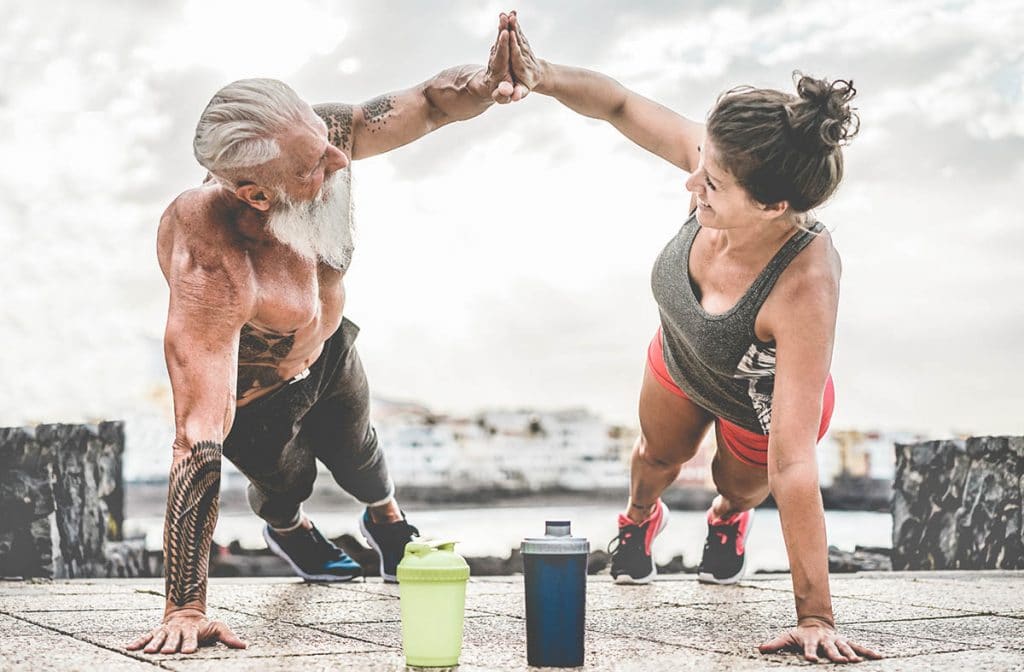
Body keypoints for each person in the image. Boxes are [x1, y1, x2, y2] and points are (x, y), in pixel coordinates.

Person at [126, 17, 521, 656]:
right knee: (287, 483)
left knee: (360, 449)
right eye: (314, 164)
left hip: (330, 352)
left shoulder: (321, 138)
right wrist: (186, 605)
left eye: (324, 139)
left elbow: (423, 102)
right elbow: (196, 431)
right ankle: (289, 529)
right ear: (254, 194)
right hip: (257, 401)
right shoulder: (212, 255)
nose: (339, 158)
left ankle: (386, 522)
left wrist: (482, 84)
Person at [499, 11, 882, 664]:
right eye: (700, 163)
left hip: (760, 399)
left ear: (773, 207)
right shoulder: (728, 161)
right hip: (681, 355)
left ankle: (728, 521)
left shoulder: (805, 282)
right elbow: (619, 104)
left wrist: (815, 615)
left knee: (739, 485)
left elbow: (793, 461)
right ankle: (639, 519)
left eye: (711, 184)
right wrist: (542, 76)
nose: (690, 181)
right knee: (653, 459)